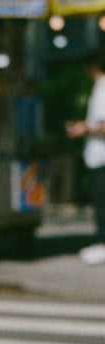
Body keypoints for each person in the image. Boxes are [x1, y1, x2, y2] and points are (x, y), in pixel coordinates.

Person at [66, 52, 105, 265]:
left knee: (102, 202)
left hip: (101, 157)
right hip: (98, 156)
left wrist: (84, 128)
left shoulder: (102, 88)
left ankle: (102, 244)